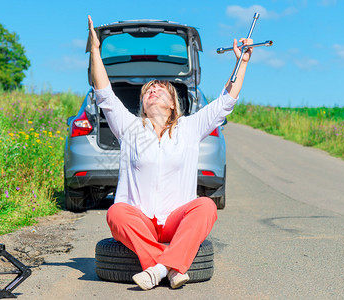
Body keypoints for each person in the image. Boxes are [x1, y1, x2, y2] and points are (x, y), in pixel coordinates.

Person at [88, 15, 253, 290]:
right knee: (116, 212)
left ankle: (158, 269)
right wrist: (95, 50)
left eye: (160, 89)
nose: (153, 90)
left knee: (206, 206)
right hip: (140, 220)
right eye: (148, 90)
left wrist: (242, 62)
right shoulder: (129, 127)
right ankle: (172, 267)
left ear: (174, 105)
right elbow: (104, 93)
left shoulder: (189, 127)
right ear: (142, 103)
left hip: (175, 221)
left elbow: (226, 102)